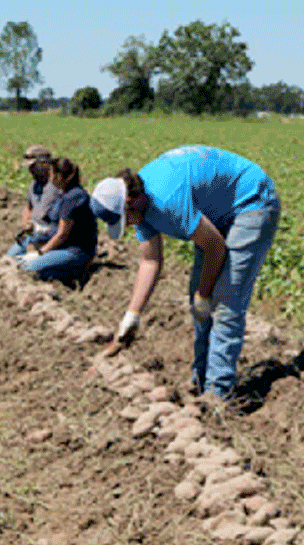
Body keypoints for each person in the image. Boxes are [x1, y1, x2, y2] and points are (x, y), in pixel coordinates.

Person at [89, 145, 280, 404]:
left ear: (131, 202)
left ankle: (218, 395)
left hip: (251, 202)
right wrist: (131, 316)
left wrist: (205, 293)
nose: (130, 225)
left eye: (126, 219)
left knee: (224, 300)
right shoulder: (140, 206)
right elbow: (150, 260)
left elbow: (214, 247)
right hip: (217, 212)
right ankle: (200, 380)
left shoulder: (167, 200)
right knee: (199, 301)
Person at [5, 157, 96, 283]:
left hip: (75, 250)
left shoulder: (73, 197)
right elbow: (56, 227)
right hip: (60, 243)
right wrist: (38, 229)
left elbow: (62, 235)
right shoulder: (63, 193)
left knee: (29, 269)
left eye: (51, 174)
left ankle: (77, 272)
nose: (49, 177)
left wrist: (39, 253)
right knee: (12, 258)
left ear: (58, 176)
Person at [17, 144, 60, 245]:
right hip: (34, 231)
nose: (30, 170)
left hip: (51, 232)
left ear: (45, 163)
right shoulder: (33, 184)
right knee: (11, 255)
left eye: (33, 166)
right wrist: (25, 221)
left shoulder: (58, 185)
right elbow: (29, 207)